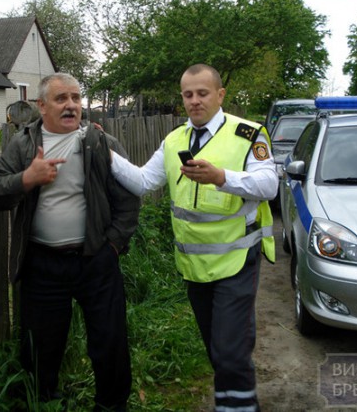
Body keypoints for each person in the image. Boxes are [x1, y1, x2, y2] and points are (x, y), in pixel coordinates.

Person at [110, 64, 278, 411]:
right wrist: (103, 150)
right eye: (188, 94)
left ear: (220, 95)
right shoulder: (173, 141)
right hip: (194, 265)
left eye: (202, 93)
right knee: (218, 350)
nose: (194, 101)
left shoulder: (249, 134)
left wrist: (221, 177)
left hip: (237, 260)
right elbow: (143, 182)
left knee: (231, 351)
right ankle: (233, 403)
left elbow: (269, 185)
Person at [0, 73, 140, 411]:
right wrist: (27, 178)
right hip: (42, 262)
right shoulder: (24, 145)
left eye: (76, 98)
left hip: (95, 259)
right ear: (42, 106)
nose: (71, 106)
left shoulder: (101, 143)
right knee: (41, 344)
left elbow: (128, 198)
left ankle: (112, 405)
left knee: (109, 340)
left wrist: (112, 245)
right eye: (61, 99)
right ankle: (45, 401)